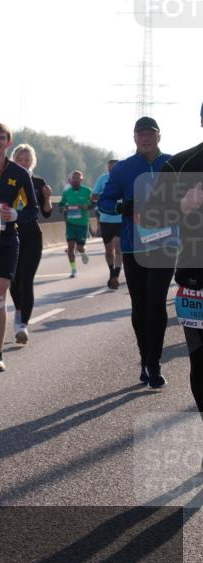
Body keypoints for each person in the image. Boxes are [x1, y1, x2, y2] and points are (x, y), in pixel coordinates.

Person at [97, 116, 176, 389]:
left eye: (150, 133)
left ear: (158, 136)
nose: (145, 138)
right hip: (133, 246)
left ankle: (154, 363)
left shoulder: (172, 164)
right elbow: (105, 202)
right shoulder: (122, 169)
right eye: (140, 134)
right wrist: (123, 208)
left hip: (166, 244)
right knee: (140, 307)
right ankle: (145, 358)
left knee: (156, 303)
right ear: (134, 138)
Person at [141, 102, 203, 419]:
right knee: (200, 362)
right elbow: (151, 217)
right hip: (196, 280)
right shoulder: (181, 164)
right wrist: (183, 205)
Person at [0, 123, 38, 372]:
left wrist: (14, 214)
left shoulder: (19, 173)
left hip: (8, 242)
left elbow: (32, 210)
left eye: (2, 138)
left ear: (8, 143)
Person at [8, 144, 53, 344]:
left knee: (27, 280)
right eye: (20, 159)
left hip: (32, 236)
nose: (24, 163)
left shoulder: (38, 182)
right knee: (14, 281)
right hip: (10, 236)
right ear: (14, 160)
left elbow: (47, 213)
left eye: (27, 160)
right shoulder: (7, 180)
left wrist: (48, 198)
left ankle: (23, 325)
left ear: (32, 162)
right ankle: (18, 311)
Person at [94, 159, 123, 289]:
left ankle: (115, 276)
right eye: (109, 169)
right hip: (105, 219)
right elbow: (93, 196)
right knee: (108, 250)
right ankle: (111, 272)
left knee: (118, 248)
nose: (111, 171)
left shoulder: (125, 178)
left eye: (114, 169)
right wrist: (103, 197)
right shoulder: (103, 179)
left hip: (121, 219)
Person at [60, 170, 94, 278]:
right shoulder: (66, 192)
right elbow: (61, 205)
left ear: (81, 179)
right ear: (71, 180)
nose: (75, 180)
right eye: (73, 178)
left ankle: (83, 252)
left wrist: (87, 207)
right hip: (70, 223)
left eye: (77, 178)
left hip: (83, 224)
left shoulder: (88, 191)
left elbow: (94, 202)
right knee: (70, 247)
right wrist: (63, 208)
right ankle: (73, 269)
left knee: (79, 248)